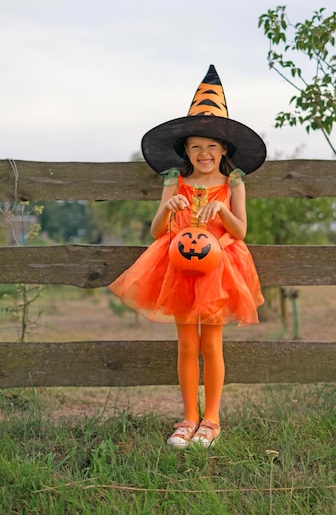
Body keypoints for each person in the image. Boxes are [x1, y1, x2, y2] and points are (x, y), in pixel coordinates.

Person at [109, 65, 266, 448]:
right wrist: (169, 207)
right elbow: (156, 231)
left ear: (224, 149)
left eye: (212, 146)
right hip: (178, 267)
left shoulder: (233, 182)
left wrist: (223, 212)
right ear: (186, 151)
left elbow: (241, 230)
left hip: (220, 269)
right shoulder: (174, 181)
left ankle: (211, 420)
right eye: (196, 146)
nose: (204, 152)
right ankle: (188, 417)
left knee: (212, 344)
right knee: (186, 345)